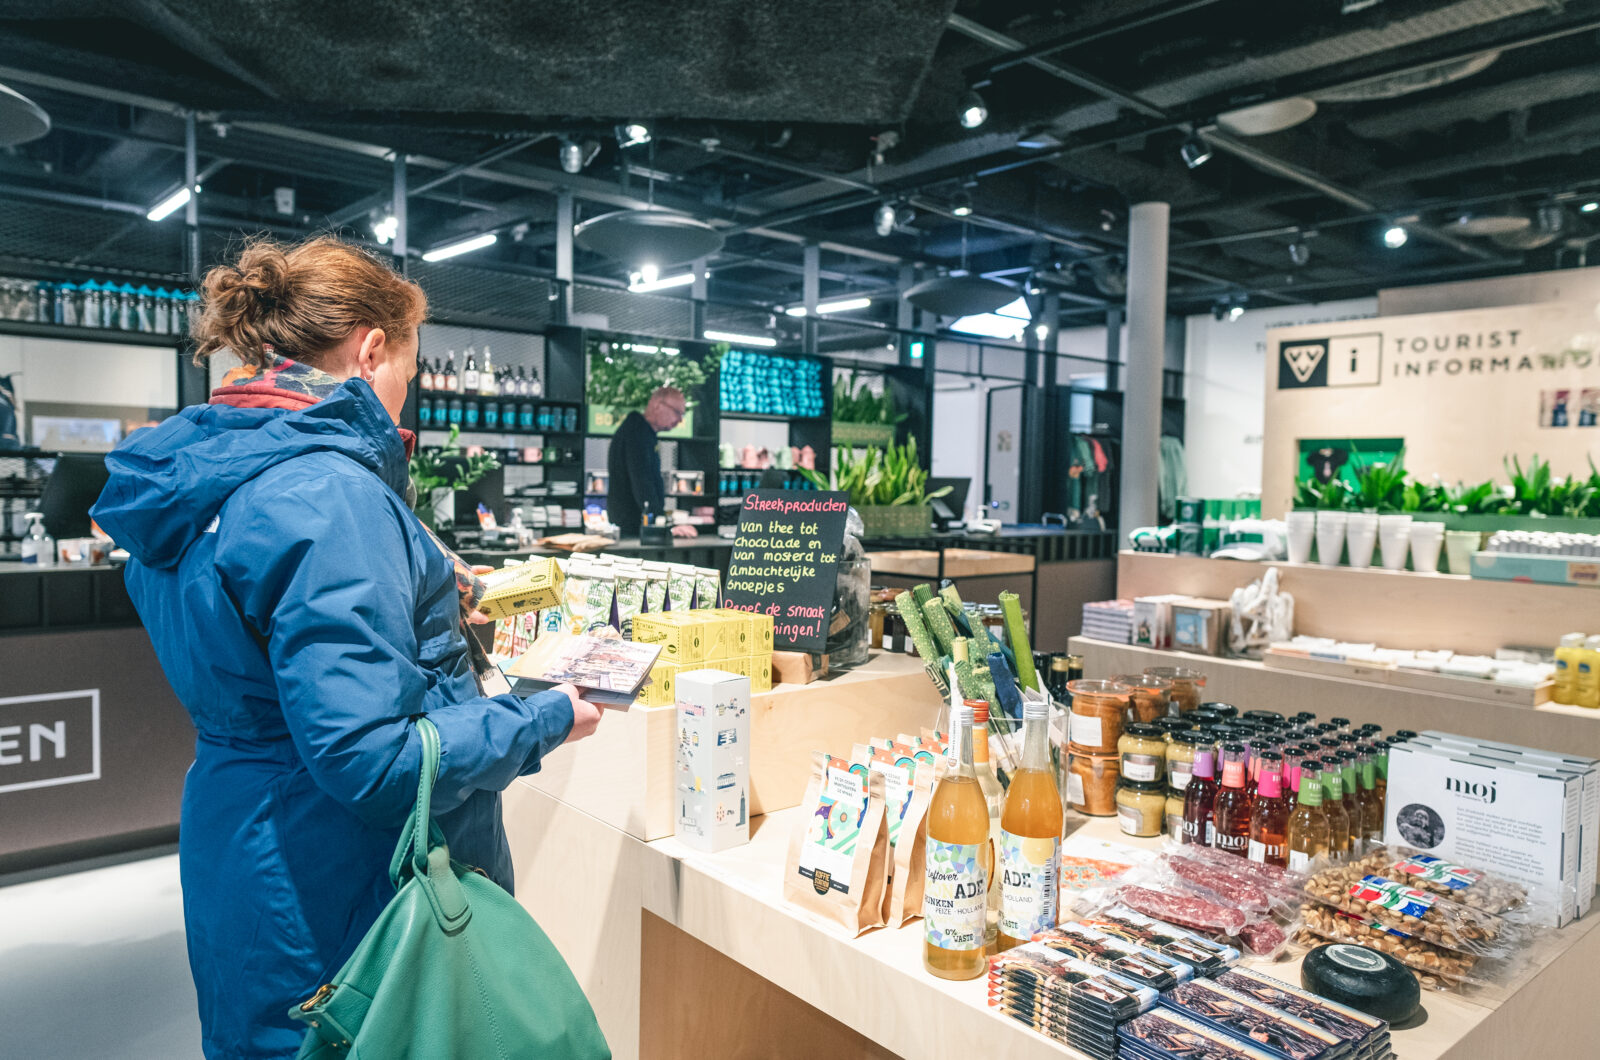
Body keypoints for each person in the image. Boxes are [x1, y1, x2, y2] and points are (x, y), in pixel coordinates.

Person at [90, 237, 603, 1060]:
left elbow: (249, 628)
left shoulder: (204, 466)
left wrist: (415, 581)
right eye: (408, 368)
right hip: (337, 884)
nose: (407, 396)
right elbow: (371, 758)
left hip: (246, 844)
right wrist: (540, 718)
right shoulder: (328, 490)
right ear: (371, 350)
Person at [605, 384, 698, 538]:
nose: (680, 420)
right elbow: (642, 482)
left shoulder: (642, 431)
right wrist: (660, 525)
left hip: (635, 526)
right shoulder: (637, 433)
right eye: (677, 412)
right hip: (635, 530)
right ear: (657, 405)